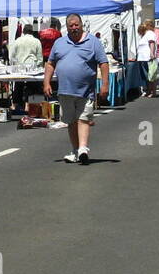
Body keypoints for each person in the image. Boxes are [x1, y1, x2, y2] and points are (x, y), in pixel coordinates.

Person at [44, 13, 109, 164]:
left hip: (85, 90)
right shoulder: (59, 42)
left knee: (83, 118)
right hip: (65, 90)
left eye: (76, 25)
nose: (74, 28)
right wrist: (46, 82)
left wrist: (105, 84)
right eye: (71, 26)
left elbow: (103, 63)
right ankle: (75, 150)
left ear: (81, 25)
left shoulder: (93, 41)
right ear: (66, 28)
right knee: (71, 121)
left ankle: (83, 149)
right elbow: (50, 63)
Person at [9, 23, 43, 112]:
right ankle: (31, 106)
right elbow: (40, 58)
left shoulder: (17, 41)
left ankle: (15, 105)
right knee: (33, 85)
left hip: (19, 68)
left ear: (23, 32)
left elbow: (11, 56)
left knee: (18, 85)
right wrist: (38, 66)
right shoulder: (36, 41)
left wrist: (14, 65)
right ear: (32, 32)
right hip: (32, 67)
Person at [136, 19, 159, 97]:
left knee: (152, 74)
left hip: (148, 57)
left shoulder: (150, 33)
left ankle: (153, 92)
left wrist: (152, 54)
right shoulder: (144, 35)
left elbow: (151, 43)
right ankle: (149, 90)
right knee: (147, 76)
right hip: (142, 58)